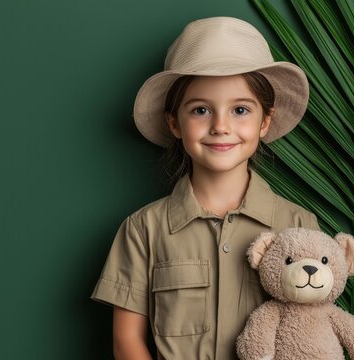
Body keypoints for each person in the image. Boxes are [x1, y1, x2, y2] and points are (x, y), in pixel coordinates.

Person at [91, 17, 321, 360]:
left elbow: (313, 334)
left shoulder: (300, 225)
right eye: (201, 110)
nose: (220, 126)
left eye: (240, 109)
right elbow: (127, 342)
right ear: (175, 123)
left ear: (265, 121)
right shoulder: (142, 230)